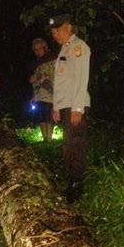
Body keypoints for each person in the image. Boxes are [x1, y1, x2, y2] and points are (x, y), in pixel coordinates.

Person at [47, 13, 91, 202]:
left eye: (57, 30)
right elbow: (61, 82)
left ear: (68, 28)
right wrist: (56, 107)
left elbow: (82, 78)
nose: (55, 34)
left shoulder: (78, 47)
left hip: (75, 105)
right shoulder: (64, 50)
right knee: (68, 146)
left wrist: (78, 108)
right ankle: (72, 180)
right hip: (66, 105)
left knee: (74, 146)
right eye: (53, 32)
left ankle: (77, 184)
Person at [28, 38, 56, 142]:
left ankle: (49, 139)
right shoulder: (36, 63)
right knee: (41, 117)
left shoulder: (52, 59)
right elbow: (35, 81)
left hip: (49, 93)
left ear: (45, 48)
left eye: (40, 48)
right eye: (35, 49)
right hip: (38, 94)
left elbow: (51, 76)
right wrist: (33, 95)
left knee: (48, 116)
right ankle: (45, 140)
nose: (38, 51)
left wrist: (37, 79)